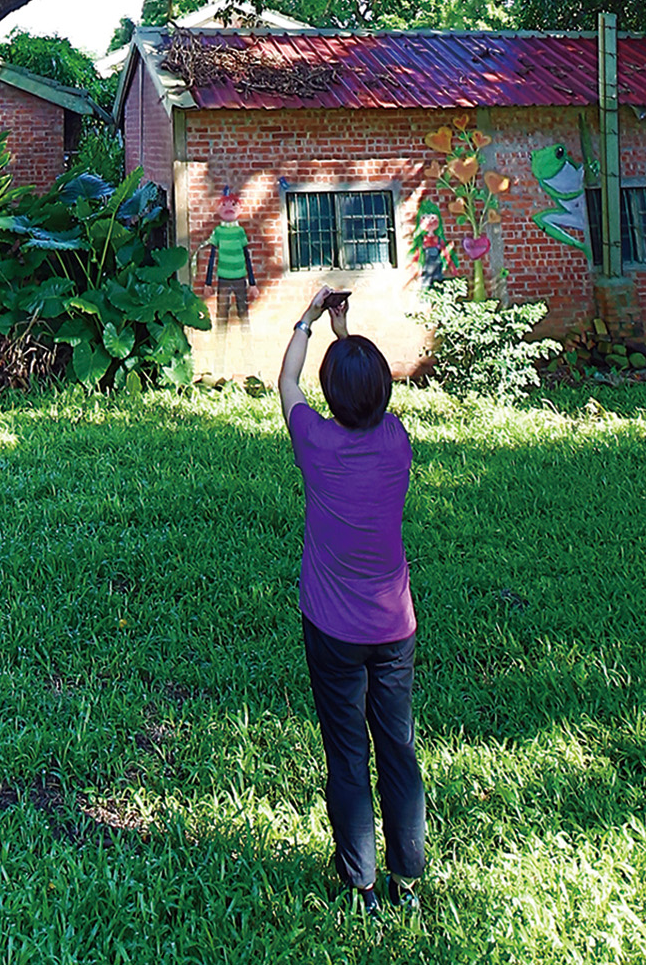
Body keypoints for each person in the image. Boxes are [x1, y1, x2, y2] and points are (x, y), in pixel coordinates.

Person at [279, 284, 426, 914]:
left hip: (333, 630)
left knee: (347, 754)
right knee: (397, 749)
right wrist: (348, 337)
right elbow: (367, 396)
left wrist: (310, 321)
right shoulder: (396, 442)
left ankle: (362, 884)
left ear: (334, 397)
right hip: (395, 630)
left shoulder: (316, 443)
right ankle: (407, 879)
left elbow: (288, 383)